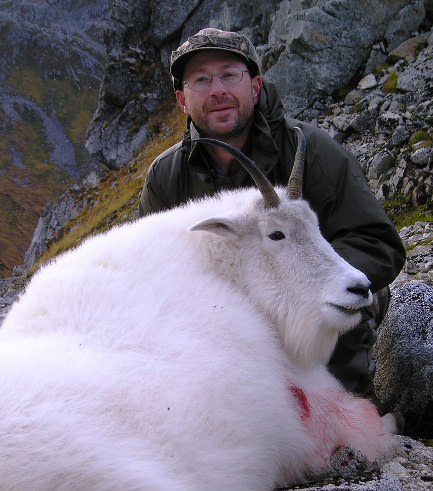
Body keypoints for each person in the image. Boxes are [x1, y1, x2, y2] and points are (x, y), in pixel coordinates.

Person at [139, 28, 406, 400]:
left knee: (339, 433)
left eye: (230, 75)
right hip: (225, 330)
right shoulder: (165, 178)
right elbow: (153, 274)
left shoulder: (309, 150)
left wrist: (298, 282)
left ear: (255, 86)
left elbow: (377, 243)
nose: (217, 90)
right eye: (201, 80)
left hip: (316, 325)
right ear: (183, 101)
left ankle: (353, 399)